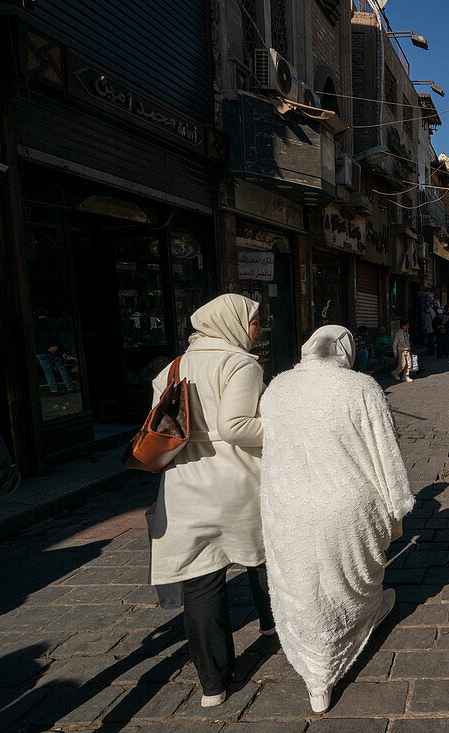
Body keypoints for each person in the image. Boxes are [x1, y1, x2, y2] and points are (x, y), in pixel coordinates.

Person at [260, 326, 413, 713]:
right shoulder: (362, 388)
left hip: (291, 505)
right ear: (345, 349)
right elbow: (386, 451)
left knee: (304, 587)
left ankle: (316, 677)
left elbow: (271, 453)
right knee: (352, 577)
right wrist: (397, 502)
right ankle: (361, 622)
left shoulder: (277, 388)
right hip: (348, 505)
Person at [145, 294, 274, 708]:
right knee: (263, 559)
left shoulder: (173, 367)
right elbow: (235, 426)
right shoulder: (239, 364)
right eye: (255, 322)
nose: (259, 330)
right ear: (233, 322)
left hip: (184, 485)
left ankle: (213, 686)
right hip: (235, 482)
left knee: (201, 583)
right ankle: (277, 628)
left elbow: (162, 425)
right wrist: (285, 426)